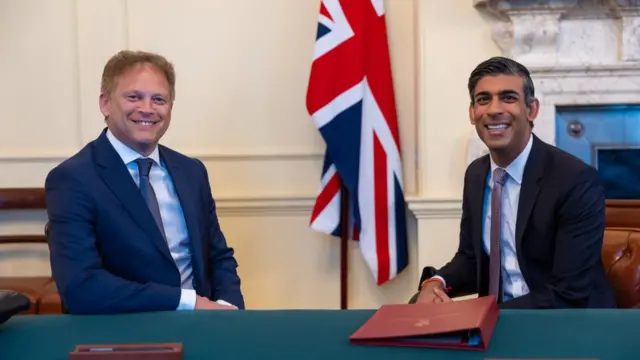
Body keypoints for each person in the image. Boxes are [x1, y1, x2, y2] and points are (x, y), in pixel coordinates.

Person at [45, 50, 245, 314]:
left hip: (206, 324)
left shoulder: (191, 171)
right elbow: (81, 287)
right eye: (133, 97)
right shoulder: (72, 179)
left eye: (159, 99)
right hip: (125, 332)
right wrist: (189, 303)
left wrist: (229, 308)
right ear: (105, 103)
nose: (147, 109)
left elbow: (218, 256)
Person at [416, 56, 617, 309]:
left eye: (508, 98)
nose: (493, 109)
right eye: (483, 99)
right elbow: (471, 258)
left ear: (531, 110)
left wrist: (471, 314)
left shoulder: (574, 179)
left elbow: (569, 292)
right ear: (472, 113)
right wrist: (436, 283)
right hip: (498, 319)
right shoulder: (477, 175)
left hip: (567, 323)